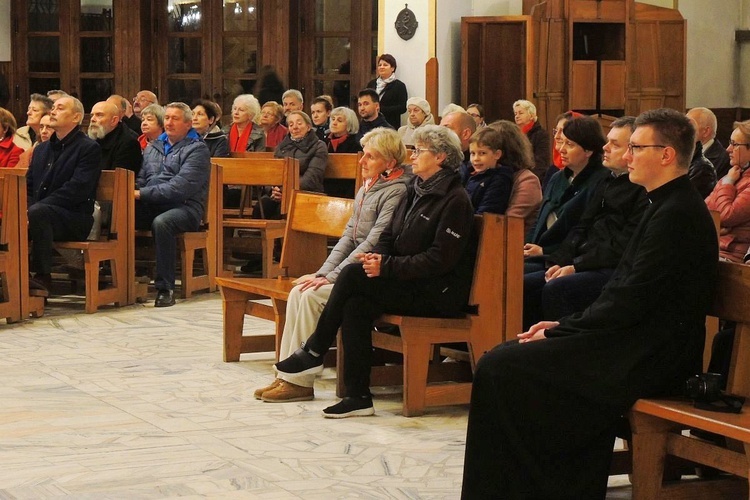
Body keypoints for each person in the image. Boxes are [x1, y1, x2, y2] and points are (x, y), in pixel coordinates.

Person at [461, 108, 719, 500]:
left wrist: (565, 329)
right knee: (504, 362)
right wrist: (563, 327)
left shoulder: (678, 213)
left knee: (503, 366)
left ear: (666, 155)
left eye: (635, 147)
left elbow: (631, 299)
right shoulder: (660, 204)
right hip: (629, 339)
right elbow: (621, 289)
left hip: (651, 353)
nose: (627, 156)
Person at [274, 125, 475, 418]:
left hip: (436, 291)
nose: (413, 156)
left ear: (441, 157)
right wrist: (376, 257)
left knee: (353, 275)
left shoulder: (455, 200)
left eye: (419, 151)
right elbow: (387, 238)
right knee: (356, 304)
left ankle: (315, 350)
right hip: (407, 282)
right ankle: (358, 397)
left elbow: (439, 260)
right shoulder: (416, 190)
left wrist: (386, 266)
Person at [255, 128, 412, 402]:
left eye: (370, 157)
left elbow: (373, 243)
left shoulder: (396, 191)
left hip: (369, 273)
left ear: (389, 163)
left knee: (313, 296)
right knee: (300, 290)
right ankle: (286, 377)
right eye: (363, 155)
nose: (361, 161)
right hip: (351, 270)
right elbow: (348, 237)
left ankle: (300, 382)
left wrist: (333, 278)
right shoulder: (369, 186)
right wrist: (322, 272)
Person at [522, 116, 649, 329]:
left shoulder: (641, 189)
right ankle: (523, 343)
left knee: (552, 287)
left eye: (614, 144)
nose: (605, 148)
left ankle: (554, 350)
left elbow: (621, 245)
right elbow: (582, 226)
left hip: (609, 267)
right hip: (586, 259)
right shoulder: (608, 179)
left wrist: (575, 266)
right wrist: (560, 260)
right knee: (516, 274)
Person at [135, 102, 211, 307]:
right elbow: (142, 178)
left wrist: (141, 193)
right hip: (152, 201)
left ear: (188, 124)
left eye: (175, 118)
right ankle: (124, 281)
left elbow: (180, 188)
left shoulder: (197, 150)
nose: (169, 122)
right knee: (120, 213)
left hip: (185, 207)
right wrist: (135, 192)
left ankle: (165, 288)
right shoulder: (153, 147)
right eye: (167, 118)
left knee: (163, 223)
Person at [26, 96, 102, 295]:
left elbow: (77, 189)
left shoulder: (88, 148)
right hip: (41, 213)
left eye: (60, 108)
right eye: (53, 108)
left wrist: (35, 208)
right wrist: (25, 207)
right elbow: (28, 185)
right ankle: (14, 275)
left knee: (38, 212)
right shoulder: (42, 149)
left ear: (76, 117)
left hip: (74, 218)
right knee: (13, 218)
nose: (52, 111)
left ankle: (43, 277)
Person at [524, 116, 610, 273]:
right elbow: (541, 216)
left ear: (588, 150)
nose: (560, 149)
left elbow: (583, 230)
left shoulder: (602, 180)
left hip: (562, 257)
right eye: (561, 142)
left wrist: (545, 250)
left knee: (514, 279)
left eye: (569, 144)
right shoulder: (557, 177)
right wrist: (526, 245)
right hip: (538, 253)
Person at [259, 110, 327, 219]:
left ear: (309, 127)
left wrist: (286, 192)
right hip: (281, 194)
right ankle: (256, 236)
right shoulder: (282, 147)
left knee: (282, 210)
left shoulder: (319, 146)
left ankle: (281, 236)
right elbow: (273, 173)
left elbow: (312, 177)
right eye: (291, 124)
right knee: (262, 205)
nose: (295, 127)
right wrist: (272, 189)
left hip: (306, 193)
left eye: (299, 123)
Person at [705, 119, 750, 262]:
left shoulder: (731, 179)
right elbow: (705, 211)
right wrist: (715, 228)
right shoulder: (734, 173)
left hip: (731, 257)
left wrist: (728, 183)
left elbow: (726, 215)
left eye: (734, 144)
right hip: (715, 249)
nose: (728, 149)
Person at [487, 120, 543, 235]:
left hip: (513, 245)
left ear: (500, 152)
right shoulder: (483, 176)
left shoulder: (527, 180)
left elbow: (506, 223)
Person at [460, 125, 514, 215]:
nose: (476, 158)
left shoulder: (499, 180)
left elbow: (487, 213)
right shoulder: (469, 174)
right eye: (472, 153)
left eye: (482, 153)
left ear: (497, 154)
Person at [88, 100, 143, 175]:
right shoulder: (89, 140)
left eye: (99, 115)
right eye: (92, 115)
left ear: (114, 120)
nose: (93, 119)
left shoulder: (128, 143)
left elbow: (119, 179)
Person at [688, 106, 731, 179]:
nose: (684, 130)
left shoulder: (724, 159)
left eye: (690, 126)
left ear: (706, 131)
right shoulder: (685, 152)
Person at [366, 54, 408, 129]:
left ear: (392, 68)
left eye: (385, 65)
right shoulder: (371, 84)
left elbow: (403, 107)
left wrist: (381, 109)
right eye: (379, 65)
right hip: (371, 124)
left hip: (390, 125)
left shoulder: (399, 86)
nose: (381, 67)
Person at [513, 99, 551, 182]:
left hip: (533, 178)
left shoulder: (541, 134)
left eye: (521, 113)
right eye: (515, 113)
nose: (517, 116)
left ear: (531, 115)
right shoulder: (514, 135)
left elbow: (541, 162)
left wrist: (529, 179)